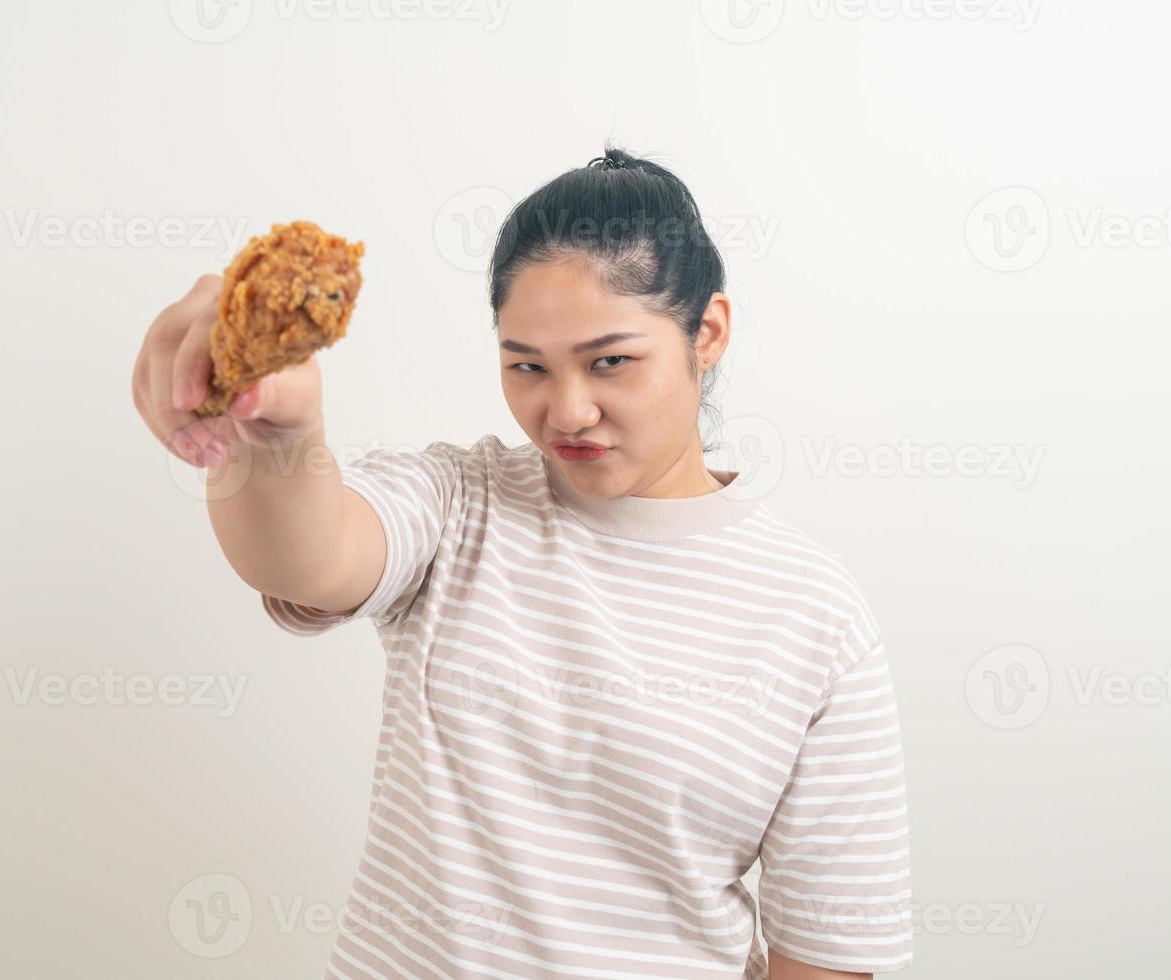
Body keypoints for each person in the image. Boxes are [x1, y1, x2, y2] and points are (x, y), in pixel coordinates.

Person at [131, 145, 913, 979]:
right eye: (526, 367)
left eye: (610, 361)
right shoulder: (461, 502)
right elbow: (311, 558)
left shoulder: (812, 613)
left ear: (707, 332)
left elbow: (826, 952)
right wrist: (275, 433)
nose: (566, 410)